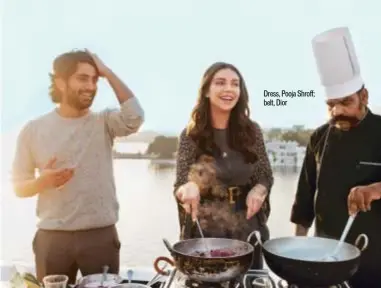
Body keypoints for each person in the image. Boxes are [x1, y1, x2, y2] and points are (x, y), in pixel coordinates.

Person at [11, 50, 145, 283]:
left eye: (95, 80)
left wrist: (107, 72)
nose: (91, 86)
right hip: (52, 240)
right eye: (83, 78)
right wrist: (43, 181)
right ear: (61, 83)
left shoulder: (104, 121)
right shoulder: (33, 130)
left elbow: (135, 117)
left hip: (100, 237)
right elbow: (19, 188)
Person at [290, 27, 381, 288]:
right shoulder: (318, 138)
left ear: (364, 97)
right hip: (324, 261)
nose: (337, 111)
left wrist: (380, 189)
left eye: (345, 102)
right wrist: (296, 258)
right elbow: (304, 202)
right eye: (331, 104)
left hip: (375, 265)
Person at [173, 62, 273, 269]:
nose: (229, 89)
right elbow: (180, 183)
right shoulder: (191, 135)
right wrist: (188, 187)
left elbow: (265, 175)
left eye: (235, 84)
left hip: (247, 222)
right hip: (207, 228)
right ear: (207, 91)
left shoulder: (252, 132)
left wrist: (259, 189)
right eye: (220, 83)